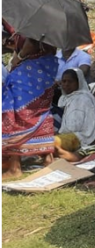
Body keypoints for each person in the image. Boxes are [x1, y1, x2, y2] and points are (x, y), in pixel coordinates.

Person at [1, 37, 58, 180]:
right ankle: (48, 159)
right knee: (39, 112)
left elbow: (31, 42)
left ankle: (15, 168)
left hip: (28, 73)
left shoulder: (35, 21)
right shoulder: (50, 25)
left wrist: (18, 58)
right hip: (45, 71)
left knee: (18, 115)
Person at [54, 69, 95, 162]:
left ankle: (62, 155)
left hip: (80, 137)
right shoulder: (67, 99)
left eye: (70, 81)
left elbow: (87, 125)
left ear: (78, 82)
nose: (66, 84)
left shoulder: (84, 98)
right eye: (64, 81)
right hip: (69, 135)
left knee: (49, 144)